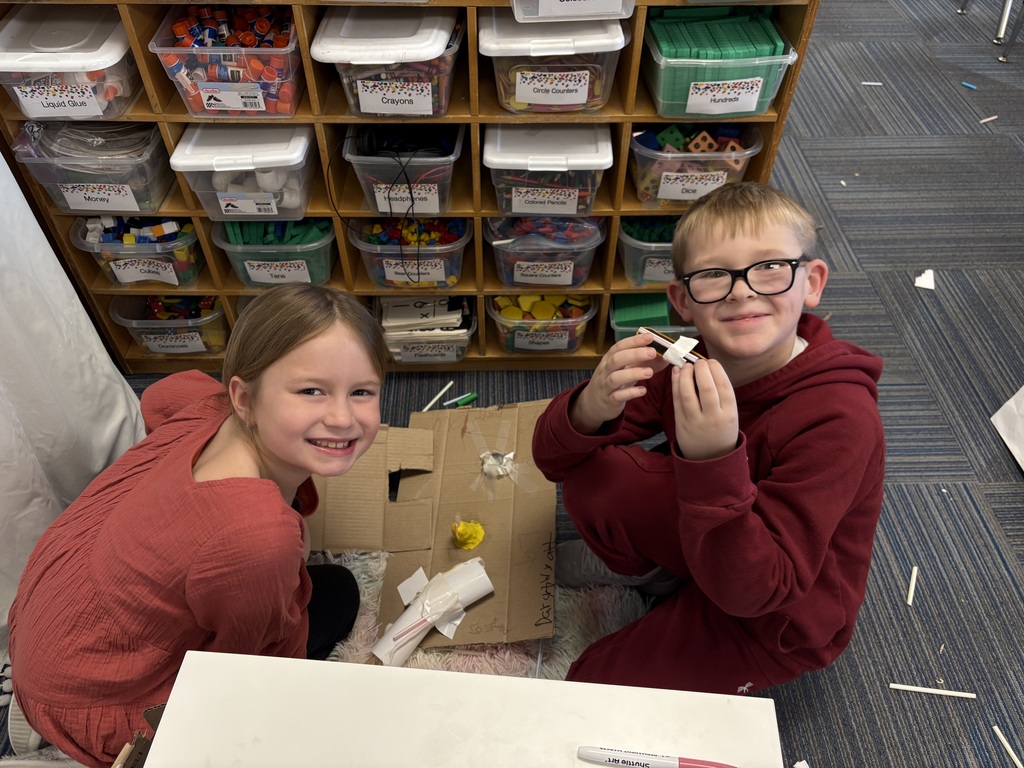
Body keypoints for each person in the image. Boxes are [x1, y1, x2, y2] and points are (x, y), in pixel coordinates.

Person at [5, 285, 388, 767]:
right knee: (335, 596)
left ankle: (44, 698)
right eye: (310, 390)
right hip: (88, 695)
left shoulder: (206, 403)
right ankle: (69, 730)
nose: (342, 417)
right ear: (244, 398)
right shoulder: (256, 538)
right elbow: (247, 670)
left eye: (362, 392)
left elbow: (162, 396)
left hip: (52, 622)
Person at [532, 182, 885, 694]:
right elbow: (552, 460)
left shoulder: (840, 420)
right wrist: (590, 408)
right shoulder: (684, 357)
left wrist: (713, 459)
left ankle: (680, 583)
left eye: (770, 267)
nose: (743, 290)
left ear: (810, 282)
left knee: (594, 688)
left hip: (775, 613)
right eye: (715, 274)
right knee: (598, 478)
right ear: (682, 301)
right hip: (716, 538)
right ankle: (661, 576)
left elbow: (759, 592)